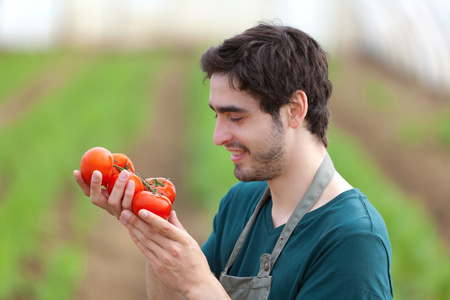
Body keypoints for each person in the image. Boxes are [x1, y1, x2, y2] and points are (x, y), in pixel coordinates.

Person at [74, 22, 393, 299]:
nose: (218, 136)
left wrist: (201, 285)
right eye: (217, 115)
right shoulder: (241, 204)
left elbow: (199, 291)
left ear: (295, 109)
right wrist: (157, 243)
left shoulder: (352, 240)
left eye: (236, 117)